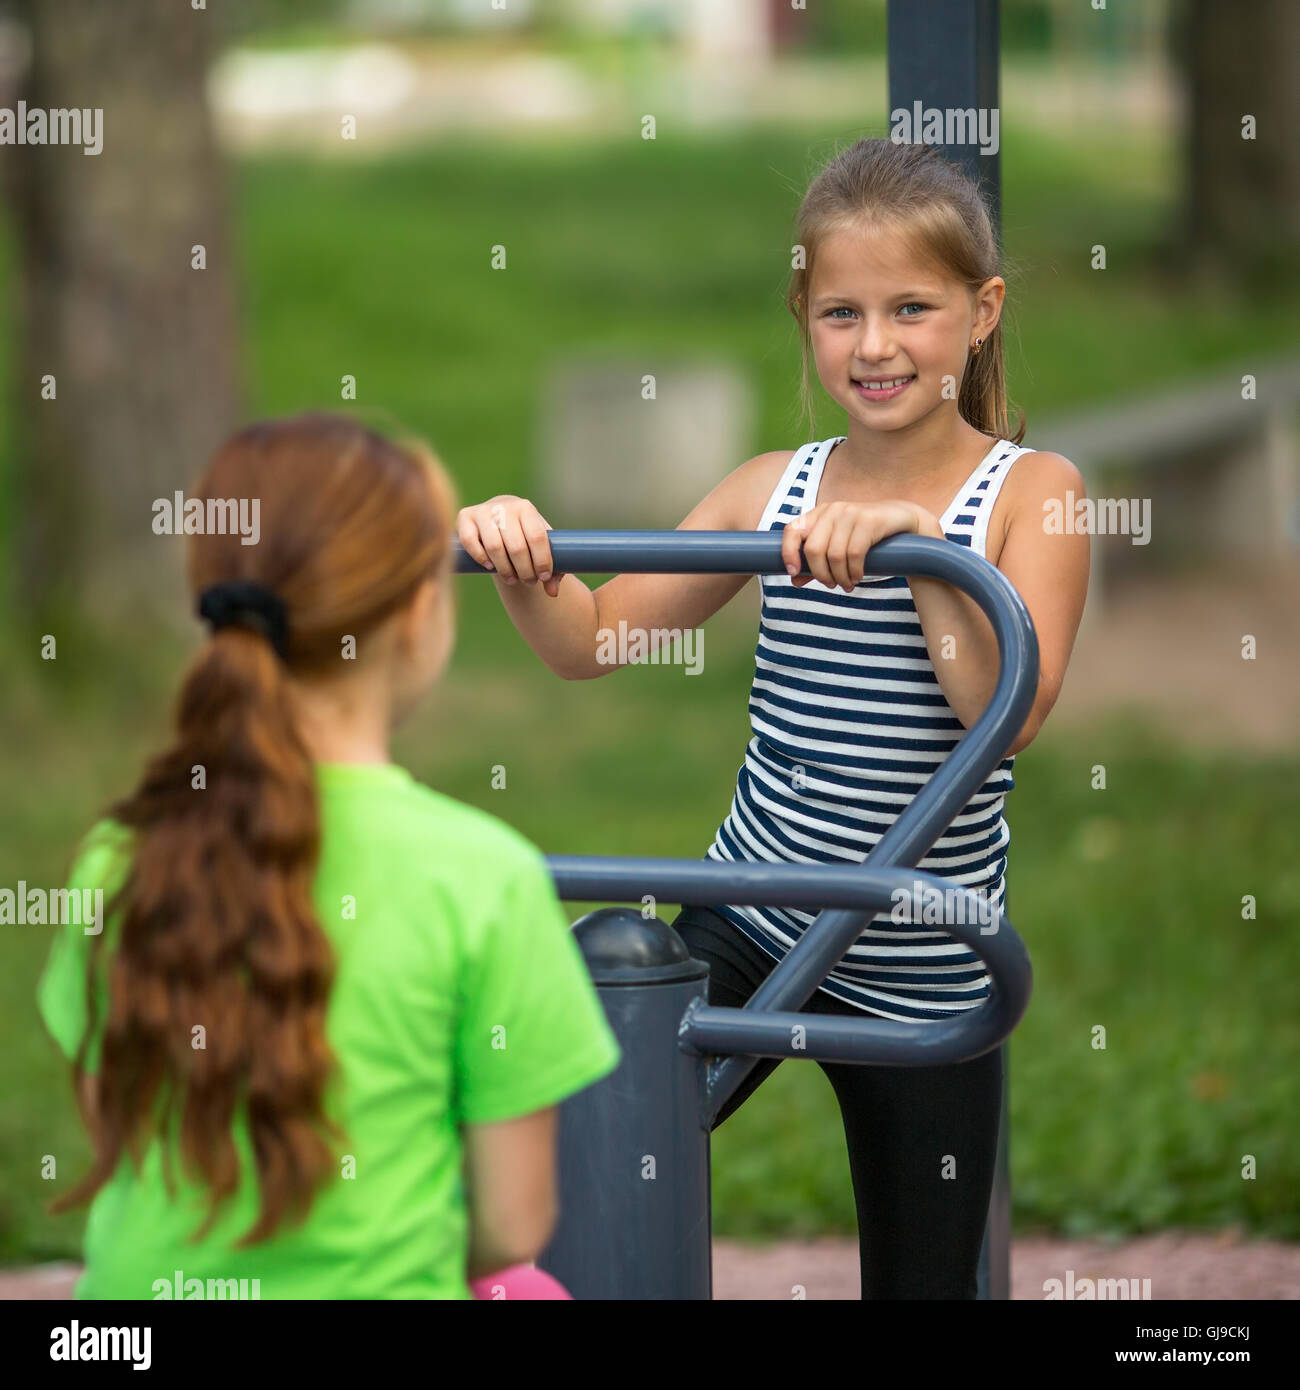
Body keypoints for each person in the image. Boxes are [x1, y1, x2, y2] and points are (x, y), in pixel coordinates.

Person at [456, 137, 1090, 1299]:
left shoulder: (1033, 492)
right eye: (840, 312)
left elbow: (1003, 712)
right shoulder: (772, 489)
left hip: (923, 951)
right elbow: (598, 642)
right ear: (803, 314)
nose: (876, 344)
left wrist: (920, 555)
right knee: (592, 1137)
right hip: (750, 910)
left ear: (982, 310)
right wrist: (520, 557)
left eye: (912, 307)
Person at [37, 412, 618, 1300]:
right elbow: (511, 1222)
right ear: (421, 612)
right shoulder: (485, 877)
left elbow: (108, 1122)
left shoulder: (117, 857)